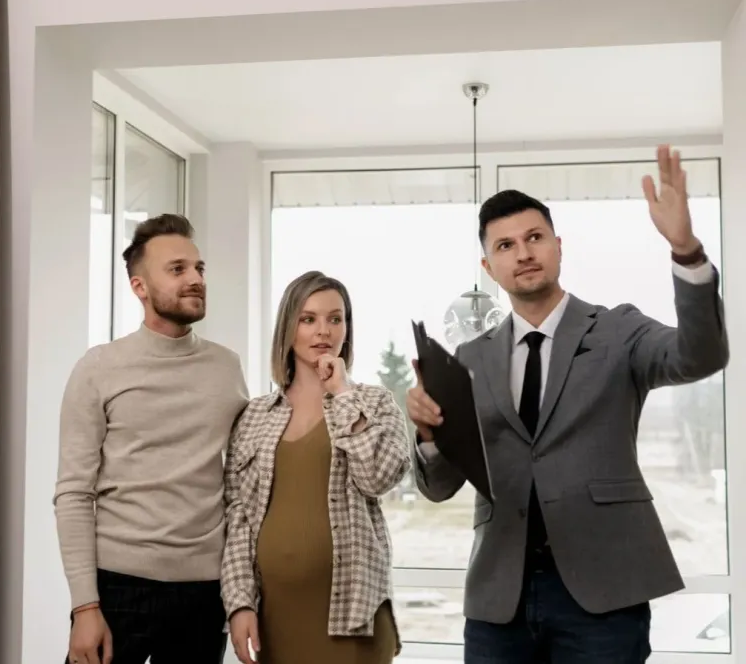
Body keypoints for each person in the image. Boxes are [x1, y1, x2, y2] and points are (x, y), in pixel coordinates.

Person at [407, 145, 729, 664]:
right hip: (498, 599)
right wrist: (427, 436)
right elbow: (439, 487)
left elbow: (701, 355)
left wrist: (686, 250)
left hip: (603, 594)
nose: (524, 253)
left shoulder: (619, 330)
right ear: (489, 266)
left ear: (558, 246)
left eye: (535, 238)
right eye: (506, 245)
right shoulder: (468, 359)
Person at [54, 214, 249, 664]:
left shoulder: (227, 368)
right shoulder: (99, 368)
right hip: (117, 587)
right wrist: (85, 605)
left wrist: (240, 595)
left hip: (204, 593)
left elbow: (243, 484)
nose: (196, 279)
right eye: (177, 269)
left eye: (199, 268)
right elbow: (74, 493)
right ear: (140, 287)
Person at [221, 270, 410, 664]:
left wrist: (341, 393)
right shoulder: (254, 415)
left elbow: (378, 478)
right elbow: (237, 518)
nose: (323, 330)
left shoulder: (374, 404)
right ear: (288, 328)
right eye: (308, 319)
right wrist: (239, 604)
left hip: (353, 618)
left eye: (335, 318)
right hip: (275, 618)